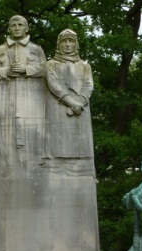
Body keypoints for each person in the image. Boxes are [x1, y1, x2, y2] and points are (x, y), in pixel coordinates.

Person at [0, 15, 46, 162]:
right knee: (4, 139)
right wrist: (5, 71)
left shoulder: (36, 50)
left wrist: (27, 69)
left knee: (33, 136)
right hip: (5, 101)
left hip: (31, 101)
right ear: (9, 29)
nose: (17, 28)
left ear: (26, 28)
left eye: (20, 25)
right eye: (13, 25)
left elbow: (47, 71)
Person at [44, 29, 94, 175]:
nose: (67, 44)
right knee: (58, 144)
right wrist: (71, 102)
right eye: (64, 41)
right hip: (59, 108)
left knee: (80, 145)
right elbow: (54, 85)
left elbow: (89, 85)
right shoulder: (50, 64)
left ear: (76, 44)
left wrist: (79, 102)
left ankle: (81, 170)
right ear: (58, 44)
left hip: (80, 109)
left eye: (71, 41)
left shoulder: (85, 66)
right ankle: (56, 171)